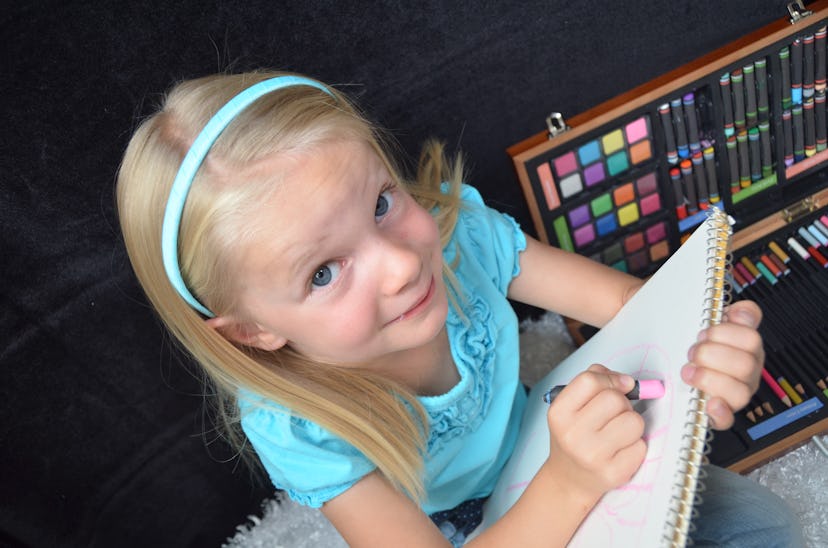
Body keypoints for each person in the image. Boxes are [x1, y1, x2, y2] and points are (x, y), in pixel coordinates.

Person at [116, 71, 803, 547]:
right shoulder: (298, 426)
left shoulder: (458, 238)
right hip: (472, 520)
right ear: (253, 331)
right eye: (324, 272)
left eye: (382, 203)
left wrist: (709, 350)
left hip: (551, 426)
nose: (400, 265)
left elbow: (631, 304)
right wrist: (567, 486)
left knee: (763, 528)